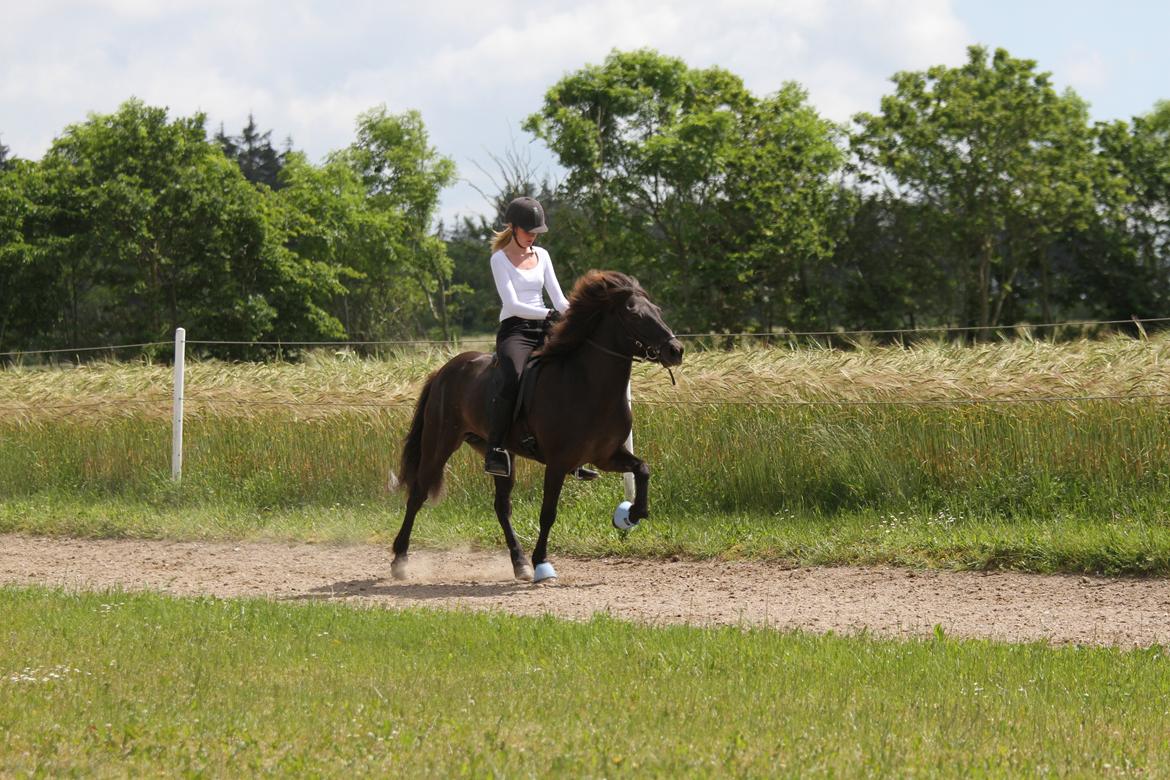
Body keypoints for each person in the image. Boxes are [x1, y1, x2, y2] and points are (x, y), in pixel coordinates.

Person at [484, 196, 595, 480]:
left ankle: (574, 452)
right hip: (516, 329)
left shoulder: (542, 255)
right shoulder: (499, 259)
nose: (533, 235)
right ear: (512, 227)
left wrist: (578, 315)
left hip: (545, 326)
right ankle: (495, 448)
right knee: (512, 376)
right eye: (528, 230)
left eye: (536, 232)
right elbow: (512, 303)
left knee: (574, 371)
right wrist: (548, 314)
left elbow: (559, 299)